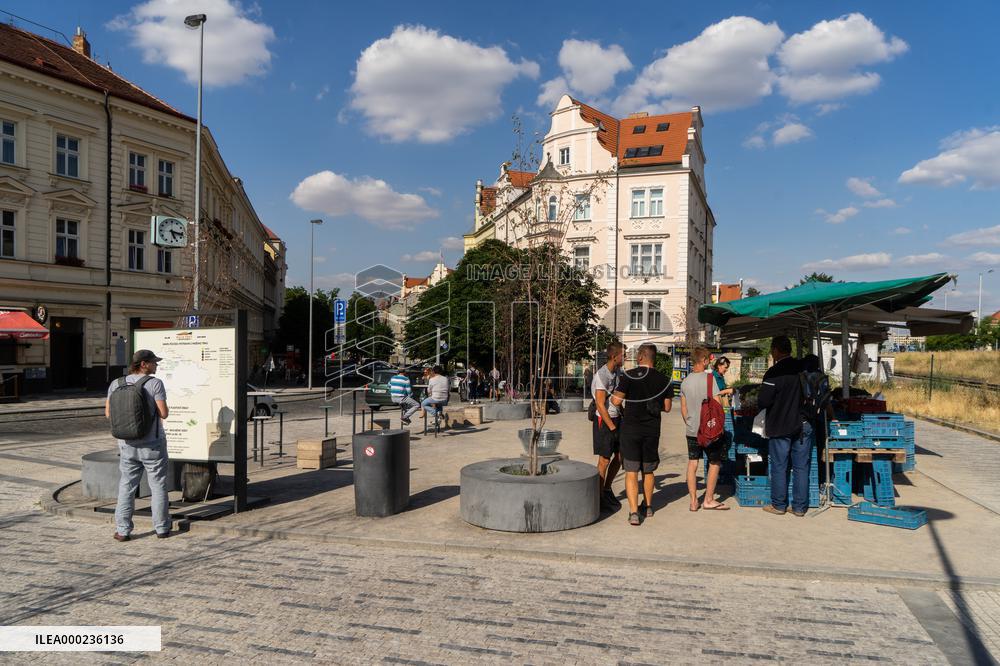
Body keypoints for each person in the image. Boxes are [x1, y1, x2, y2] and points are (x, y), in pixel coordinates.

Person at [106, 349, 170, 541]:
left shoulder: (116, 383)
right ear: (144, 364)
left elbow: (108, 413)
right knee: (158, 485)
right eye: (154, 362)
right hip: (152, 445)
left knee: (126, 485)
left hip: (126, 444)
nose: (156, 365)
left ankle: (123, 530)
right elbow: (164, 413)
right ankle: (161, 528)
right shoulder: (154, 384)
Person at [612, 343, 673, 526]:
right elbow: (668, 407)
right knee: (648, 470)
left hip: (631, 430)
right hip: (652, 430)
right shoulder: (664, 380)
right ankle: (647, 506)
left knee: (631, 471)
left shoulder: (628, 376)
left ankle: (633, 512)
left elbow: (616, 401)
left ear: (640, 357)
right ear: (654, 358)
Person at [758, 336, 808, 517]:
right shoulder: (802, 369)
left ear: (776, 350)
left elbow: (763, 400)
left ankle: (779, 505)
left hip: (780, 424)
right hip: (802, 424)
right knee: (801, 467)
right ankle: (799, 508)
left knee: (779, 466)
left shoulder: (774, 372)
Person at [680, 347, 729, 511]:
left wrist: (690, 423)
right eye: (708, 359)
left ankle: (694, 501)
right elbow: (717, 404)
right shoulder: (710, 380)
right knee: (714, 462)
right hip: (710, 431)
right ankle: (708, 499)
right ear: (704, 360)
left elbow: (684, 409)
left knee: (692, 463)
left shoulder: (685, 382)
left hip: (692, 430)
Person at [592, 341, 624, 510]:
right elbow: (599, 404)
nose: (624, 357)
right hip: (604, 421)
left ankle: (606, 488)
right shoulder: (601, 375)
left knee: (619, 457)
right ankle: (599, 497)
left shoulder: (618, 372)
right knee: (604, 459)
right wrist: (611, 427)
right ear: (614, 356)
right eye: (622, 354)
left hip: (617, 418)